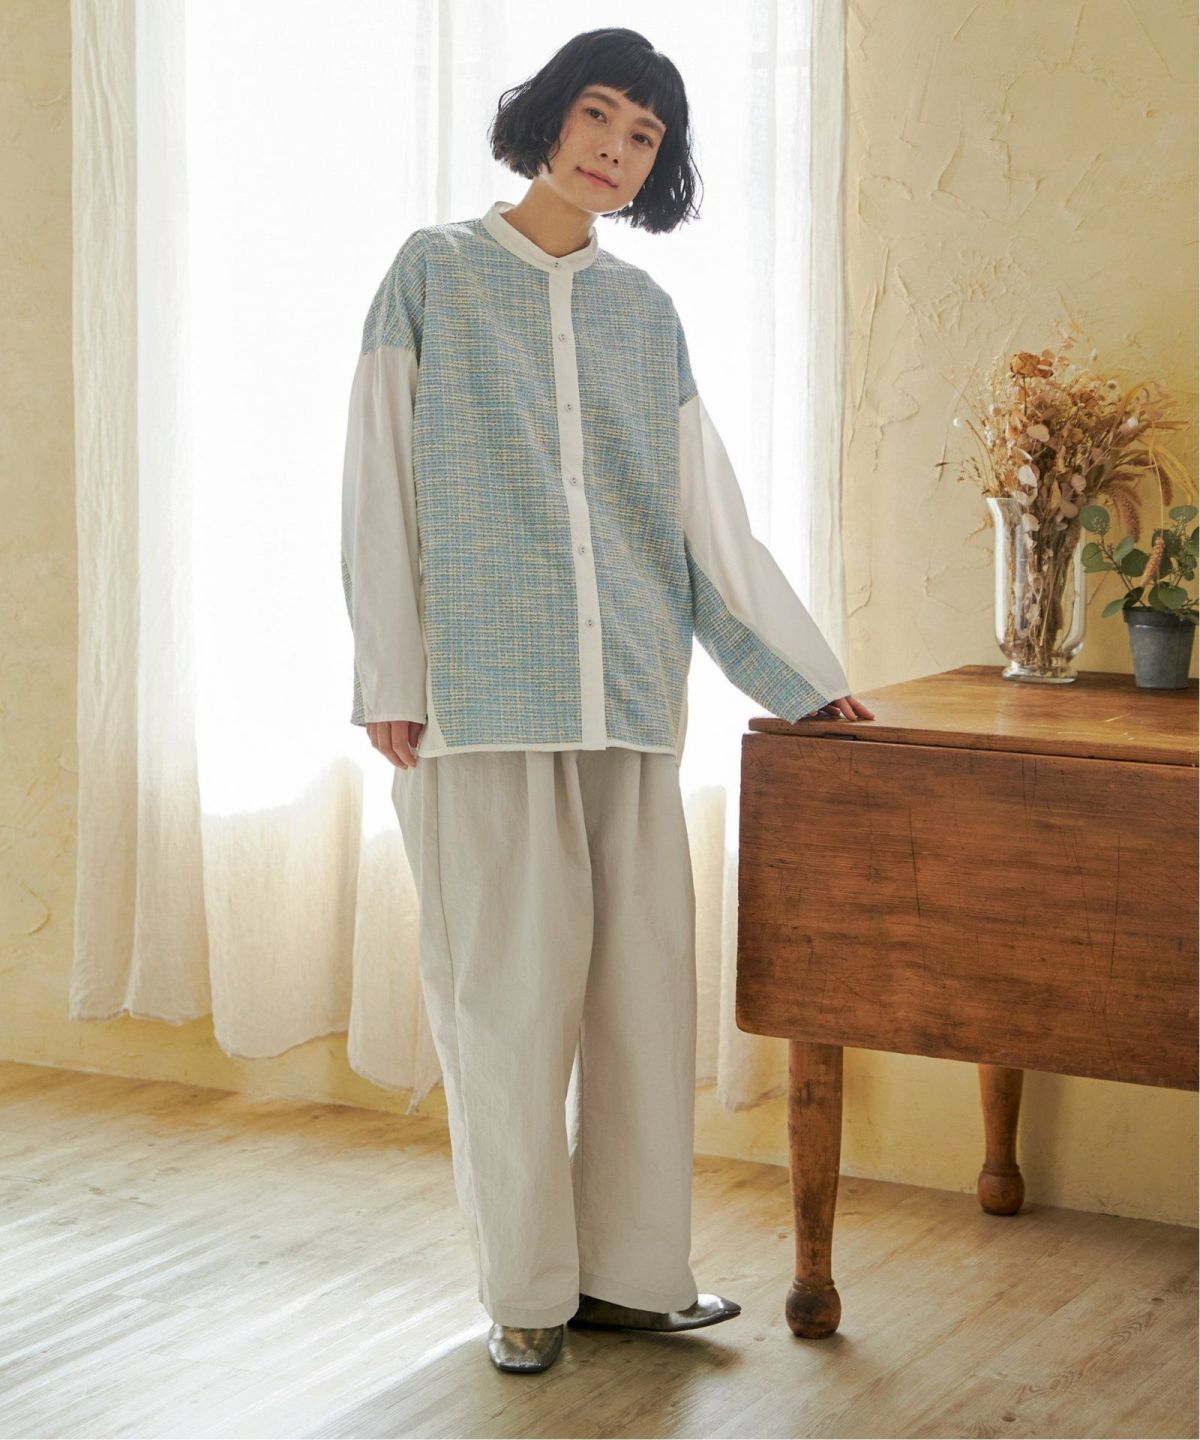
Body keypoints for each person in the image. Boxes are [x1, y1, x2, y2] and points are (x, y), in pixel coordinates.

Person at [340, 26, 874, 1375]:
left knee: (642, 1005)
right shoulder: (433, 273)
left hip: (631, 696)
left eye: (645, 137)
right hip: (481, 700)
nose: (616, 149)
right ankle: (526, 1290)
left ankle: (634, 1279)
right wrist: (389, 674)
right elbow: (377, 482)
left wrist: (809, 686)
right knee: (507, 1006)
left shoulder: (648, 317)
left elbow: (708, 523)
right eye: (600, 114)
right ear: (548, 116)